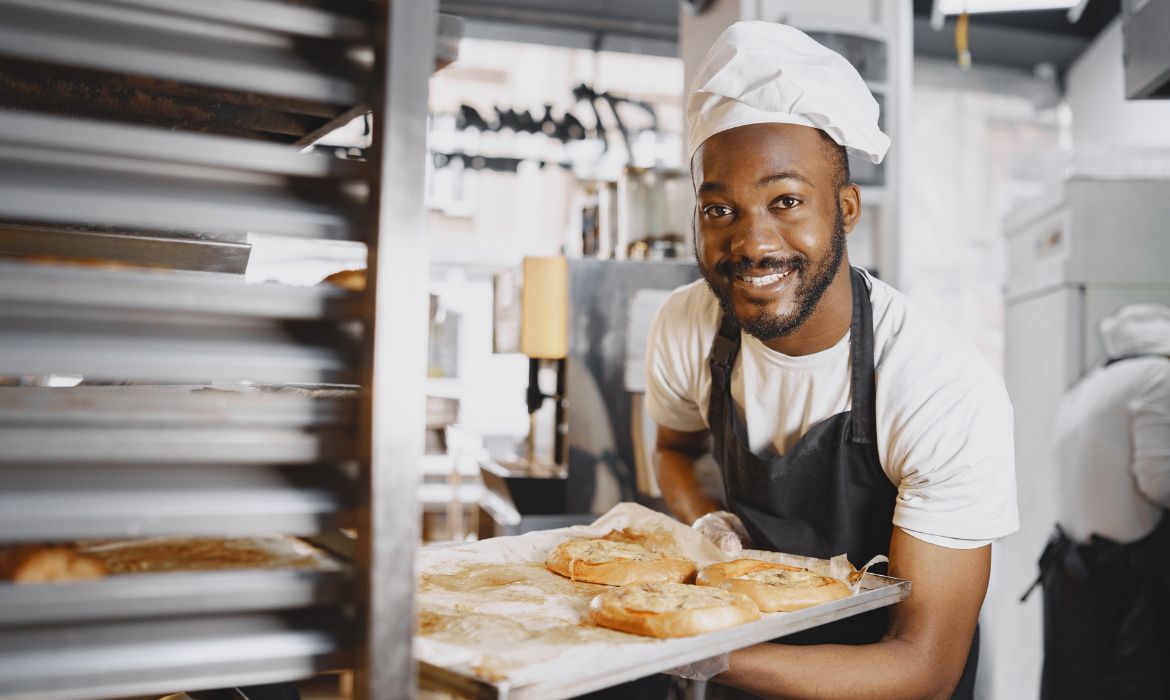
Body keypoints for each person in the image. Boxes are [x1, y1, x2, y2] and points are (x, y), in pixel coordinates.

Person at [645, 22, 1018, 699]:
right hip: (747, 668)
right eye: (719, 209)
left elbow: (924, 665)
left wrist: (702, 647)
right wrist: (708, 525)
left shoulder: (940, 386)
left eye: (786, 200)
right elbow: (674, 449)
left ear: (846, 208)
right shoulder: (686, 328)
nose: (752, 242)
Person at [1030, 303, 1170, 699]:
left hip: (1076, 570)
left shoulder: (1090, 385)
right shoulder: (1158, 376)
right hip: (1125, 576)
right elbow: (1159, 482)